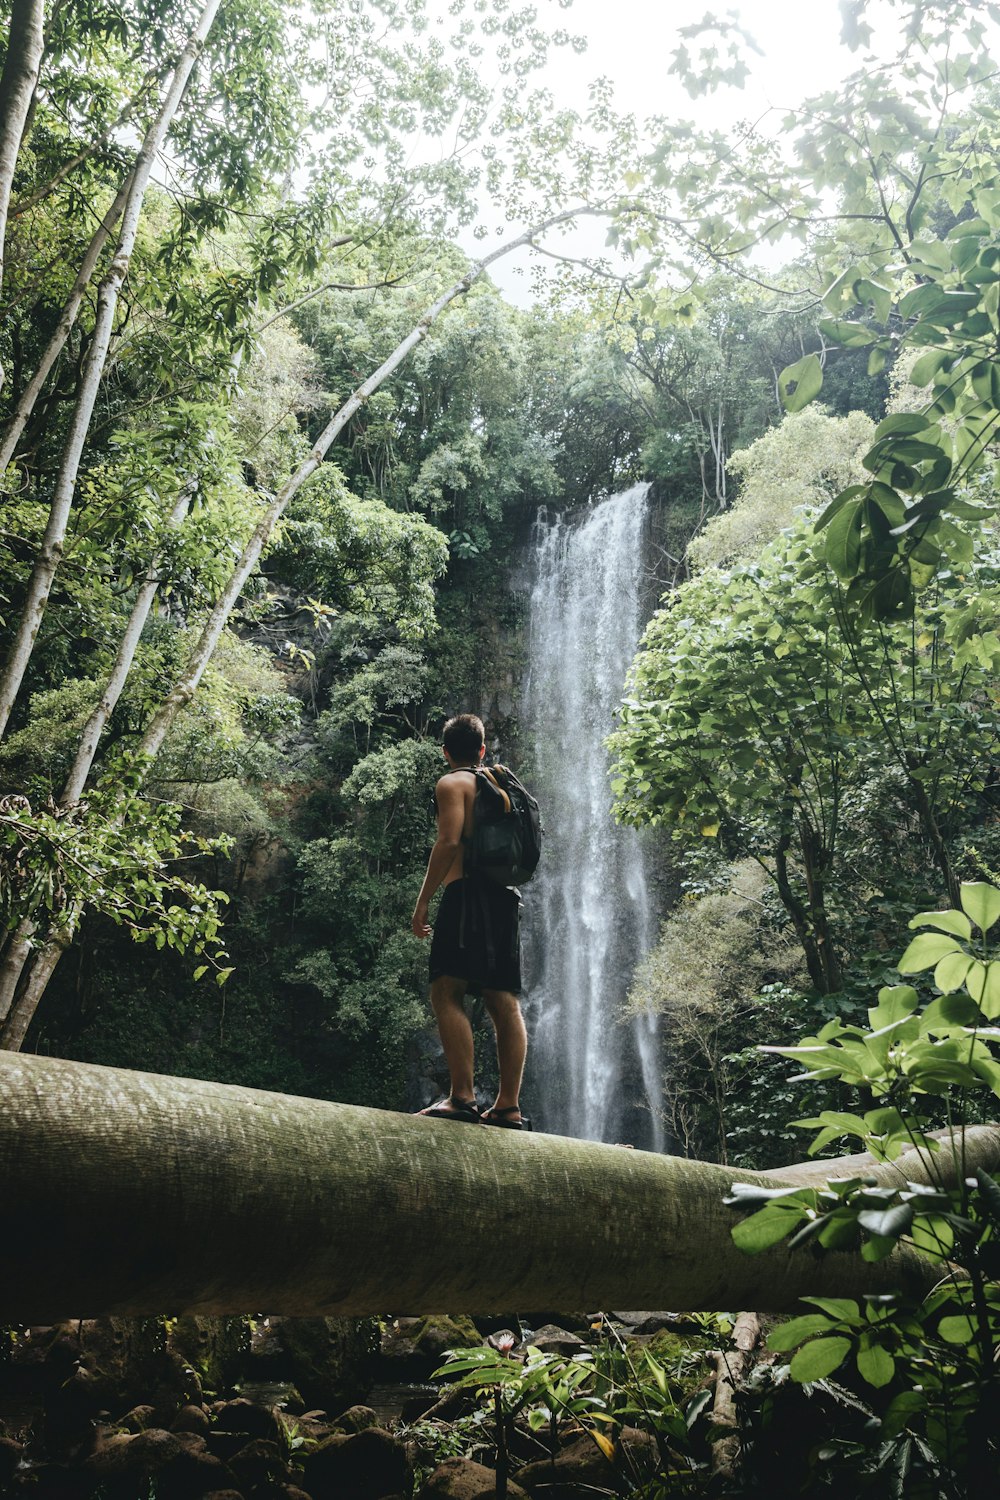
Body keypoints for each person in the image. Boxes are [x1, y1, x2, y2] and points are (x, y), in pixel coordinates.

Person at [411, 713, 529, 1129]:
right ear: (482, 749)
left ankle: (462, 1096)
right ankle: (508, 1107)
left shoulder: (452, 783)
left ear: (445, 752)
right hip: (504, 900)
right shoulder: (504, 785)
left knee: (446, 989)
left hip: (467, 896)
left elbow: (448, 842)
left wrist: (423, 901)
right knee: (502, 999)